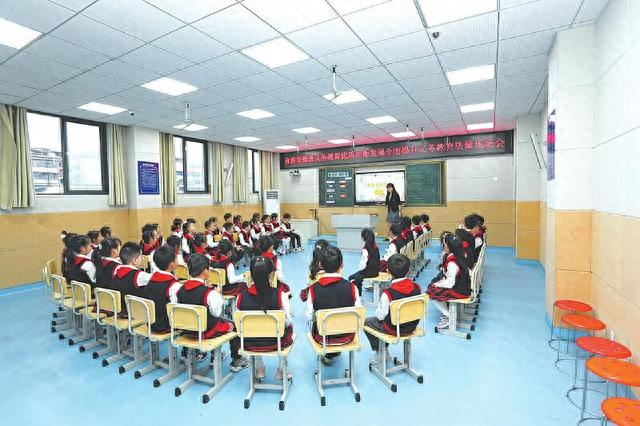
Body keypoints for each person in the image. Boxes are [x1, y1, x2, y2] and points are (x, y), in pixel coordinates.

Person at [177, 254, 248, 372]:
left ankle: (190, 352)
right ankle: (236, 359)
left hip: (187, 330)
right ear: (205, 271)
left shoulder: (180, 290)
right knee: (234, 325)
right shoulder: (209, 293)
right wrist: (218, 295)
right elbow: (217, 314)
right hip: (205, 332)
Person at [236, 256, 294, 380]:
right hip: (275, 343)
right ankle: (281, 370)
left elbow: (239, 322)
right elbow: (287, 321)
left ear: (250, 275)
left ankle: (259, 368)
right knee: (288, 327)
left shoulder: (240, 297)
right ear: (272, 275)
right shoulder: (280, 295)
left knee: (253, 328)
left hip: (250, 343)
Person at [305, 246, 362, 366]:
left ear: (320, 264)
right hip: (348, 336)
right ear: (342, 265)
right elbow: (358, 313)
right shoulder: (352, 287)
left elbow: (310, 316)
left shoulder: (313, 289)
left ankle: (328, 354)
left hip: (323, 338)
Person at [364, 254, 421, 365]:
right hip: (412, 325)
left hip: (395, 328)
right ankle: (384, 352)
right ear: (408, 270)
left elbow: (380, 316)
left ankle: (381, 352)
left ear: (388, 271)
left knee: (366, 322)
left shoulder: (388, 293)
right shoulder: (417, 287)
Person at [427, 233, 471, 329]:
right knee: (435, 286)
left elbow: (450, 283)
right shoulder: (458, 255)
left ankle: (449, 316)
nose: (442, 246)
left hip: (459, 290)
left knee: (431, 292)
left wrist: (437, 284)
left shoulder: (452, 263)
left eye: (444, 244)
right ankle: (447, 314)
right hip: (463, 285)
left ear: (447, 247)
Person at [143, 245, 182, 333]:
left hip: (150, 323)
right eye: (176, 258)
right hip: (166, 325)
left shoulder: (150, 280)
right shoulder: (174, 286)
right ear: (172, 265)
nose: (178, 260)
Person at [111, 242, 152, 317]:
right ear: (134, 260)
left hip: (118, 312)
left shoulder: (116, 271)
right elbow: (158, 278)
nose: (142, 259)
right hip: (135, 314)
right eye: (141, 257)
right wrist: (153, 263)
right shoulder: (139, 276)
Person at [348, 228, 380, 295]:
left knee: (352, 278)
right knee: (358, 276)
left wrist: (359, 271)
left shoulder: (366, 249)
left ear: (363, 238)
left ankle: (358, 295)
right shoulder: (375, 246)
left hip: (369, 272)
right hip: (376, 271)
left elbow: (363, 263)